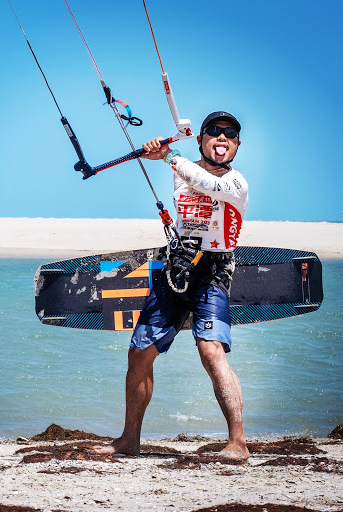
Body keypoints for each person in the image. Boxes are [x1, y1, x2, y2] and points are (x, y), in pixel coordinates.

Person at [94, 111, 250, 461]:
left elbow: (205, 182)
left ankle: (237, 442)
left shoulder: (236, 183)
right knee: (139, 352)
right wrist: (159, 148)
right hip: (175, 268)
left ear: (237, 145)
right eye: (214, 131)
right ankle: (129, 439)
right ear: (201, 139)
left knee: (211, 350)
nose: (222, 137)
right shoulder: (182, 171)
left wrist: (168, 155)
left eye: (230, 134)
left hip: (213, 273)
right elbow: (186, 171)